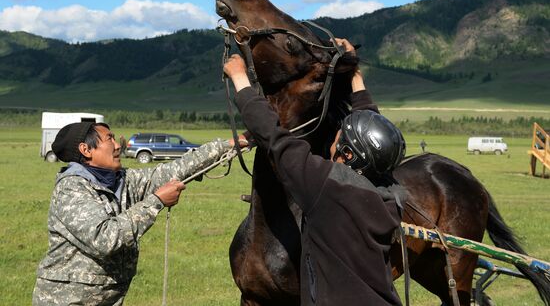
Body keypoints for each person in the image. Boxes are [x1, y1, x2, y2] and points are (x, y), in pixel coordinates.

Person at [224, 38, 406, 306]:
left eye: (339, 136)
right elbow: (375, 136)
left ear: (347, 154)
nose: (334, 138)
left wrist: (241, 81)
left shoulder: (327, 189)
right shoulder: (390, 195)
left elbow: (275, 139)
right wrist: (355, 74)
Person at [32, 122, 238, 305]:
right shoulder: (72, 188)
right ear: (86, 150)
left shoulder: (122, 179)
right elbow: (105, 238)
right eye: (109, 139)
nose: (118, 145)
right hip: (67, 300)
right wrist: (156, 202)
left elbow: (173, 171)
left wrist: (232, 144)